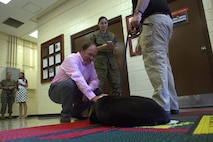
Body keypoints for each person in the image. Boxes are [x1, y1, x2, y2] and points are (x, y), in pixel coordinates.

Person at [129, 0, 179, 115]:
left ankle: (161, 106)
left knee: (155, 61)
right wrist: (141, 39)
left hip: (153, 20)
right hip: (163, 21)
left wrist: (138, 13)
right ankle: (172, 105)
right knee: (163, 63)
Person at [48, 41, 108, 123]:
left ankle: (76, 113)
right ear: (82, 51)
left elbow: (95, 80)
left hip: (75, 90)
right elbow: (77, 78)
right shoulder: (71, 59)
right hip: (55, 90)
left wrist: (89, 90)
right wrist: (92, 97)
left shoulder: (91, 64)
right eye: (90, 54)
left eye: (94, 56)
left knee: (98, 91)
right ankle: (65, 116)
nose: (91, 58)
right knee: (70, 84)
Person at [90, 16, 121, 96]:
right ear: (98, 25)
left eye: (105, 23)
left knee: (117, 85)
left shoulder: (112, 35)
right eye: (102, 23)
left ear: (107, 24)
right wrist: (103, 47)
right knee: (97, 86)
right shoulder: (94, 35)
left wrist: (113, 47)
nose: (103, 25)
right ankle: (96, 107)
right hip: (100, 63)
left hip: (112, 63)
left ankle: (117, 105)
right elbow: (91, 50)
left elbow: (117, 51)